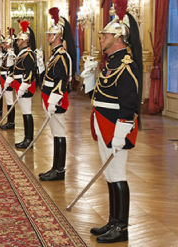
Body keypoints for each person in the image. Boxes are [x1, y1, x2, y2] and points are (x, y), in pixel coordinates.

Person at [89, 5, 142, 243]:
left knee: (118, 173)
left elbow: (129, 103)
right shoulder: (111, 62)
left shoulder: (126, 65)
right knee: (110, 173)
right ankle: (113, 221)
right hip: (103, 123)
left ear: (118, 39)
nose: (102, 39)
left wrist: (122, 132)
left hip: (117, 126)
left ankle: (121, 228)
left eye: (106, 36)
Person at [39, 8, 76, 181]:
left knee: (59, 132)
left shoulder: (62, 56)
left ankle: (59, 170)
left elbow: (61, 82)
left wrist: (53, 101)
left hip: (56, 100)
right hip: (50, 97)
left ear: (57, 36)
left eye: (49, 35)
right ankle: (55, 167)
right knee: (55, 133)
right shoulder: (54, 55)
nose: (47, 37)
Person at [4, 21, 37, 149]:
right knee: (24, 112)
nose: (16, 42)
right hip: (19, 84)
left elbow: (30, 73)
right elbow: (17, 70)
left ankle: (29, 139)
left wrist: (24, 85)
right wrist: (11, 78)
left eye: (18, 40)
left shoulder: (28, 54)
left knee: (27, 112)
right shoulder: (22, 53)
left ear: (24, 41)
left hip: (25, 86)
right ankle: (26, 138)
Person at [0, 29, 17, 129]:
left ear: (9, 44)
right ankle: (9, 121)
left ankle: (11, 122)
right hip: (4, 77)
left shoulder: (11, 54)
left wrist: (9, 78)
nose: (3, 45)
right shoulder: (6, 54)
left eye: (5, 43)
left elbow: (13, 68)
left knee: (10, 101)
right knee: (8, 100)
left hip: (8, 78)